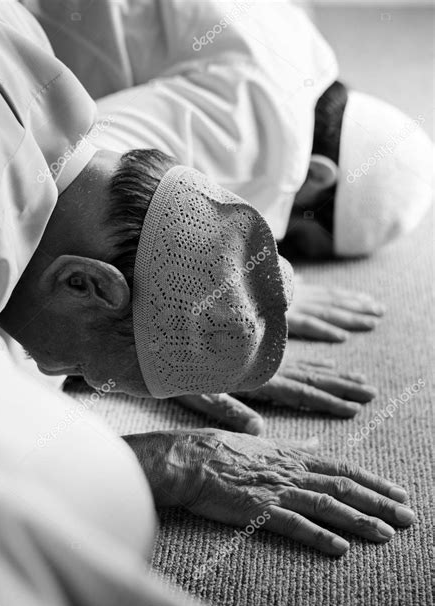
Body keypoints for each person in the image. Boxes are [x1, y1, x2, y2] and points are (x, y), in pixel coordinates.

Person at [0, 0, 415, 606]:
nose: (84, 385)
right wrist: (168, 461)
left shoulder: (23, 48)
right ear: (86, 286)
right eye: (100, 375)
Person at [24, 0, 433, 429]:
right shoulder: (250, 133)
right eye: (296, 240)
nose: (278, 250)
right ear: (315, 175)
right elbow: (68, 178)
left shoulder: (300, 40)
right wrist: (172, 343)